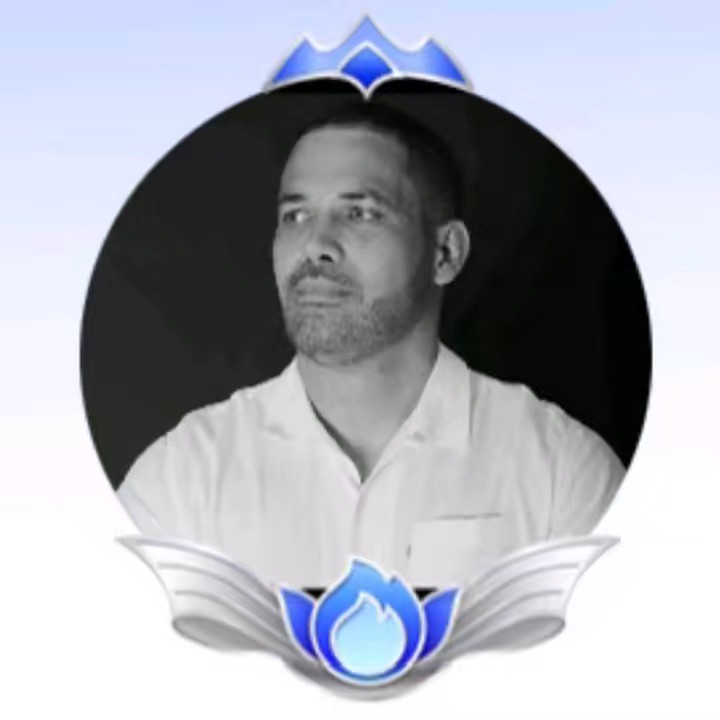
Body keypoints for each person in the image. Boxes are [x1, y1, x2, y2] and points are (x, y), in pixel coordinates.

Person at [117, 102, 624, 591]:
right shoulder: (180, 480)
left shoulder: (561, 473)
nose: (316, 245)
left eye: (360, 213)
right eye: (296, 216)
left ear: (445, 253)